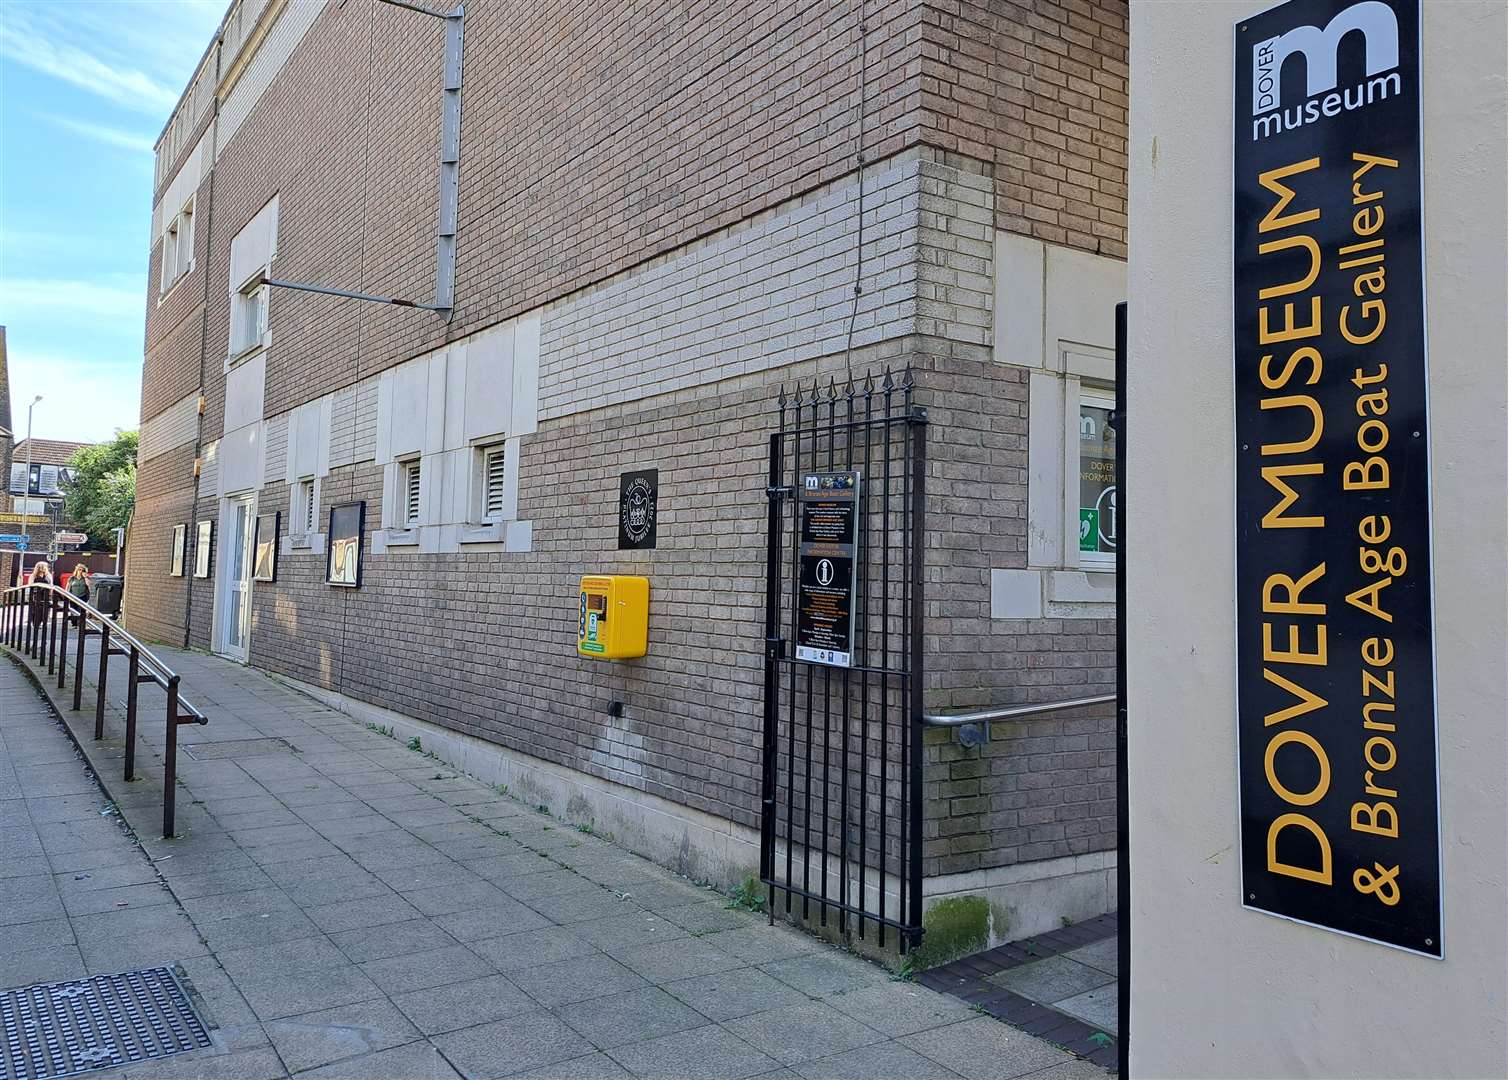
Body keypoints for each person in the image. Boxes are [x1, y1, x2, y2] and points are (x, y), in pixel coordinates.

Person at [27, 561, 53, 628]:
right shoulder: (33, 576)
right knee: (35, 610)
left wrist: (50, 594)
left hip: (46, 595)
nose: (41, 568)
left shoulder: (48, 575)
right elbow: (30, 584)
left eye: (43, 567)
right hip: (36, 595)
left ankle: (43, 622)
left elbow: (51, 585)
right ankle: (36, 623)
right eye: (40, 567)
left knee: (45, 610)